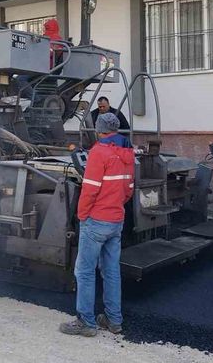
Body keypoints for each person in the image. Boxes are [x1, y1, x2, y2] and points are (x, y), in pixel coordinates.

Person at [59, 113, 135, 337]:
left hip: (96, 221)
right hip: (116, 220)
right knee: (111, 271)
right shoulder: (128, 154)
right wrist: (116, 205)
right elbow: (129, 189)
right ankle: (114, 321)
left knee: (84, 271)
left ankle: (86, 322)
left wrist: (83, 216)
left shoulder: (98, 152)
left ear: (99, 130)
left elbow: (90, 189)